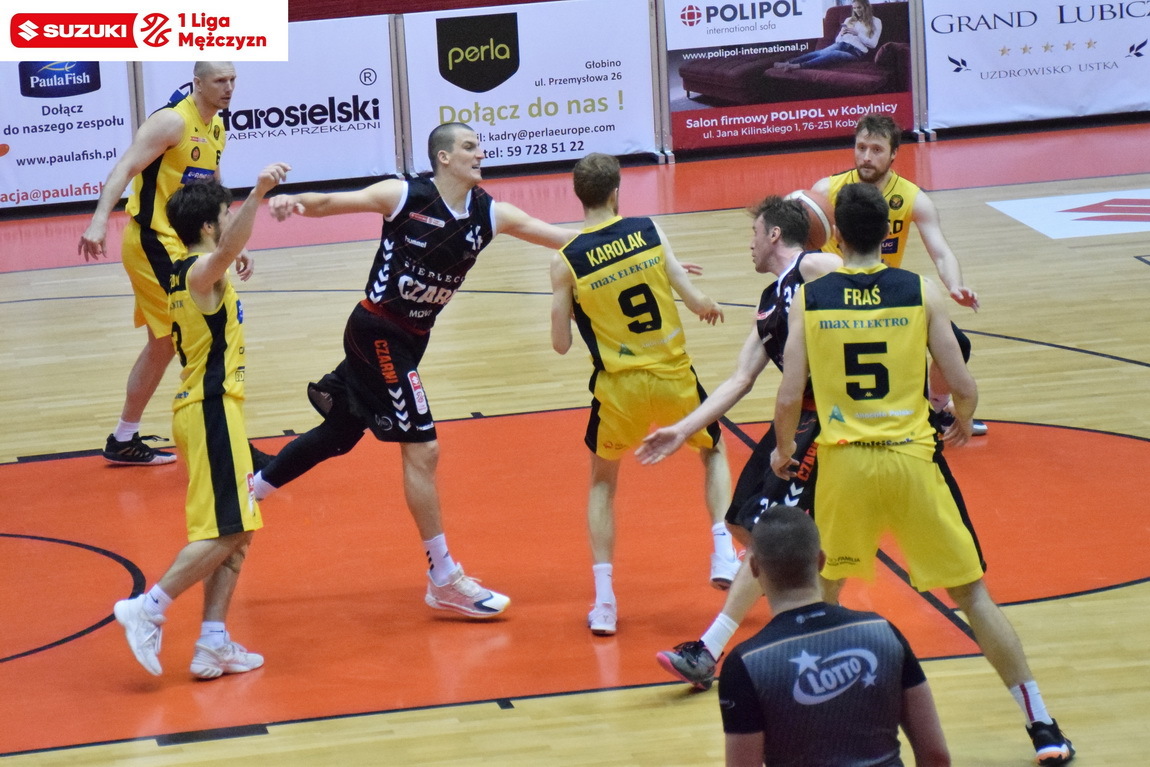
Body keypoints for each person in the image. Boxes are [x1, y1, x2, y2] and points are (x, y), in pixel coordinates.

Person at [769, 182, 1075, 765]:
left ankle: (809, 730)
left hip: (845, 466)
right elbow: (962, 385)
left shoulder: (811, 298)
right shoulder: (919, 290)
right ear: (886, 234)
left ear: (837, 236)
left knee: (820, 596)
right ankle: (1042, 725)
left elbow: (788, 396)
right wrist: (962, 421)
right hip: (912, 460)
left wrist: (784, 452)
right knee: (972, 595)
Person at [253, 122, 576, 619]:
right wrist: (293, 202)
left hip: (413, 339)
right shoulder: (404, 195)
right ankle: (443, 577)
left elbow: (565, 239)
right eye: (469, 146)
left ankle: (249, 493)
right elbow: (333, 202)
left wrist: (642, 248)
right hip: (376, 330)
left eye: (479, 146)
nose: (480, 153)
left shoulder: (491, 214)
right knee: (423, 448)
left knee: (340, 432)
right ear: (444, 157)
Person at [636, 196, 840, 684]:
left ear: (774, 235)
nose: (749, 244)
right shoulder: (769, 302)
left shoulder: (813, 266)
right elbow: (739, 380)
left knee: (771, 534)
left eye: (754, 233)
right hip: (795, 418)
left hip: (830, 417)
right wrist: (682, 429)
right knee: (741, 522)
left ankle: (710, 649)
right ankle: (817, 599)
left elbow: (863, 276)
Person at [112, 162, 290, 678]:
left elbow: (225, 252)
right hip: (210, 410)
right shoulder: (196, 273)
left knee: (238, 530)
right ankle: (148, 609)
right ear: (211, 226)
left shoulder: (184, 269)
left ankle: (213, 641)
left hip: (211, 411)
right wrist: (259, 192)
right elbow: (227, 251)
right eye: (226, 215)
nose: (231, 221)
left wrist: (229, 250)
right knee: (229, 531)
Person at [550, 153, 736, 636]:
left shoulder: (566, 261)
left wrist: (575, 305)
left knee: (602, 482)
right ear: (617, 191)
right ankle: (722, 551)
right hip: (674, 376)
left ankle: (605, 603)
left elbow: (561, 344)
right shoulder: (649, 230)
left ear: (578, 195)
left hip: (620, 390)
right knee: (714, 451)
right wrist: (707, 304)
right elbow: (694, 301)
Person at [80, 61, 241, 465]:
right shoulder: (172, 121)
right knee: (198, 331)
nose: (228, 87)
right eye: (220, 80)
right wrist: (99, 220)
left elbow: (213, 192)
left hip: (182, 244)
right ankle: (212, 431)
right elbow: (125, 166)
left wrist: (230, 242)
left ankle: (123, 438)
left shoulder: (216, 127)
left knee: (163, 342)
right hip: (153, 241)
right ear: (198, 83)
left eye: (232, 80)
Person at [719, 505, 951, 767]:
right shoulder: (883, 633)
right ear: (821, 560)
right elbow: (936, 756)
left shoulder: (747, 664)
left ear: (753, 568)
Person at [812, 112, 987, 435]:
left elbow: (941, 251)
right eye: (861, 147)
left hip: (883, 290)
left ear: (894, 153)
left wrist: (955, 285)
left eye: (876, 149)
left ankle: (934, 409)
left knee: (957, 344)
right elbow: (803, 248)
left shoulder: (911, 197)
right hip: (834, 295)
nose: (866, 157)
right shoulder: (826, 191)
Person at [774, 0, 881, 71]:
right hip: (841, 44)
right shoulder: (849, 20)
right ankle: (788, 63)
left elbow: (873, 44)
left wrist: (857, 33)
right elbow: (838, 40)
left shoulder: (876, 21)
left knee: (833, 54)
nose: (857, 11)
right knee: (819, 53)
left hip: (856, 52)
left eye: (859, 8)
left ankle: (797, 66)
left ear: (866, 7)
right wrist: (842, 34)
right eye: (855, 8)